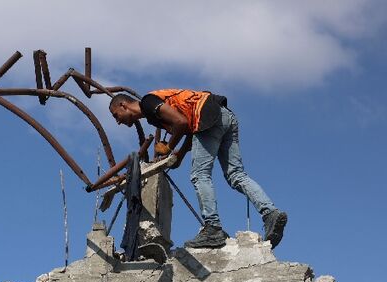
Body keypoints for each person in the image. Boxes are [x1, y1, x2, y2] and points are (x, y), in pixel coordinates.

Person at [109, 90, 287, 249]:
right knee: (236, 174)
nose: (117, 122)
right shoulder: (153, 115)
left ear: (123, 105)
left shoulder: (148, 103)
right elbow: (190, 131)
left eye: (116, 115)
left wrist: (169, 147)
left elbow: (182, 122)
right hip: (224, 117)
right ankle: (270, 213)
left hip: (208, 117)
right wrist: (179, 156)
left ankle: (212, 228)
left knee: (199, 175)